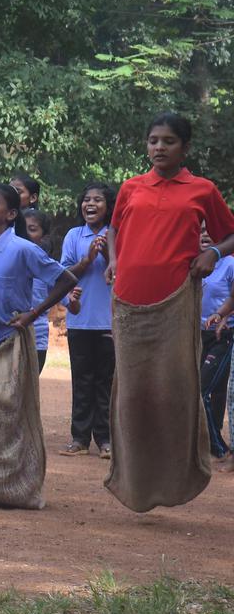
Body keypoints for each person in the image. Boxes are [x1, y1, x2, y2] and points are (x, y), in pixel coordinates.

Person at [105, 112, 234, 510]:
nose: (159, 147)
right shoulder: (131, 188)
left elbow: (230, 233)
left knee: (172, 391)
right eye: (153, 140)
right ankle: (134, 485)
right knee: (132, 394)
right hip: (128, 304)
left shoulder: (202, 189)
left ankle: (178, 480)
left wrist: (212, 252)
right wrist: (113, 260)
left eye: (168, 141)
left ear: (185, 147)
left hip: (176, 303)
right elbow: (113, 229)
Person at [0, 183, 75, 509]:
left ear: (10, 213)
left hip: (11, 343)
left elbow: (66, 280)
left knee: (11, 418)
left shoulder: (23, 249)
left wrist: (33, 314)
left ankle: (18, 490)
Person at [59, 183, 115, 458]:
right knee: (81, 381)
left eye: (98, 200)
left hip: (110, 322)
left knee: (107, 383)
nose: (90, 204)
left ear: (108, 207)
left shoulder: (116, 235)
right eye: (86, 200)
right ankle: (79, 439)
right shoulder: (73, 235)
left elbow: (124, 270)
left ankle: (106, 440)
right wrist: (88, 258)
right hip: (79, 320)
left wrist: (106, 254)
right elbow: (64, 273)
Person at [197, 228, 234, 462]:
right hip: (197, 334)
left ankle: (218, 447)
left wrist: (221, 317)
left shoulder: (229, 264)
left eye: (210, 230)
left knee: (206, 390)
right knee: (206, 389)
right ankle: (205, 442)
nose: (204, 235)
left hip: (223, 334)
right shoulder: (191, 264)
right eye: (200, 230)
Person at [22, 208, 53, 372]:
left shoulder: (47, 266)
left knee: (30, 389)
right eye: (22, 228)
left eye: (32, 229)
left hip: (37, 338)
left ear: (44, 237)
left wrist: (73, 299)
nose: (26, 234)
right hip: (9, 336)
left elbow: (67, 295)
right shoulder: (6, 261)